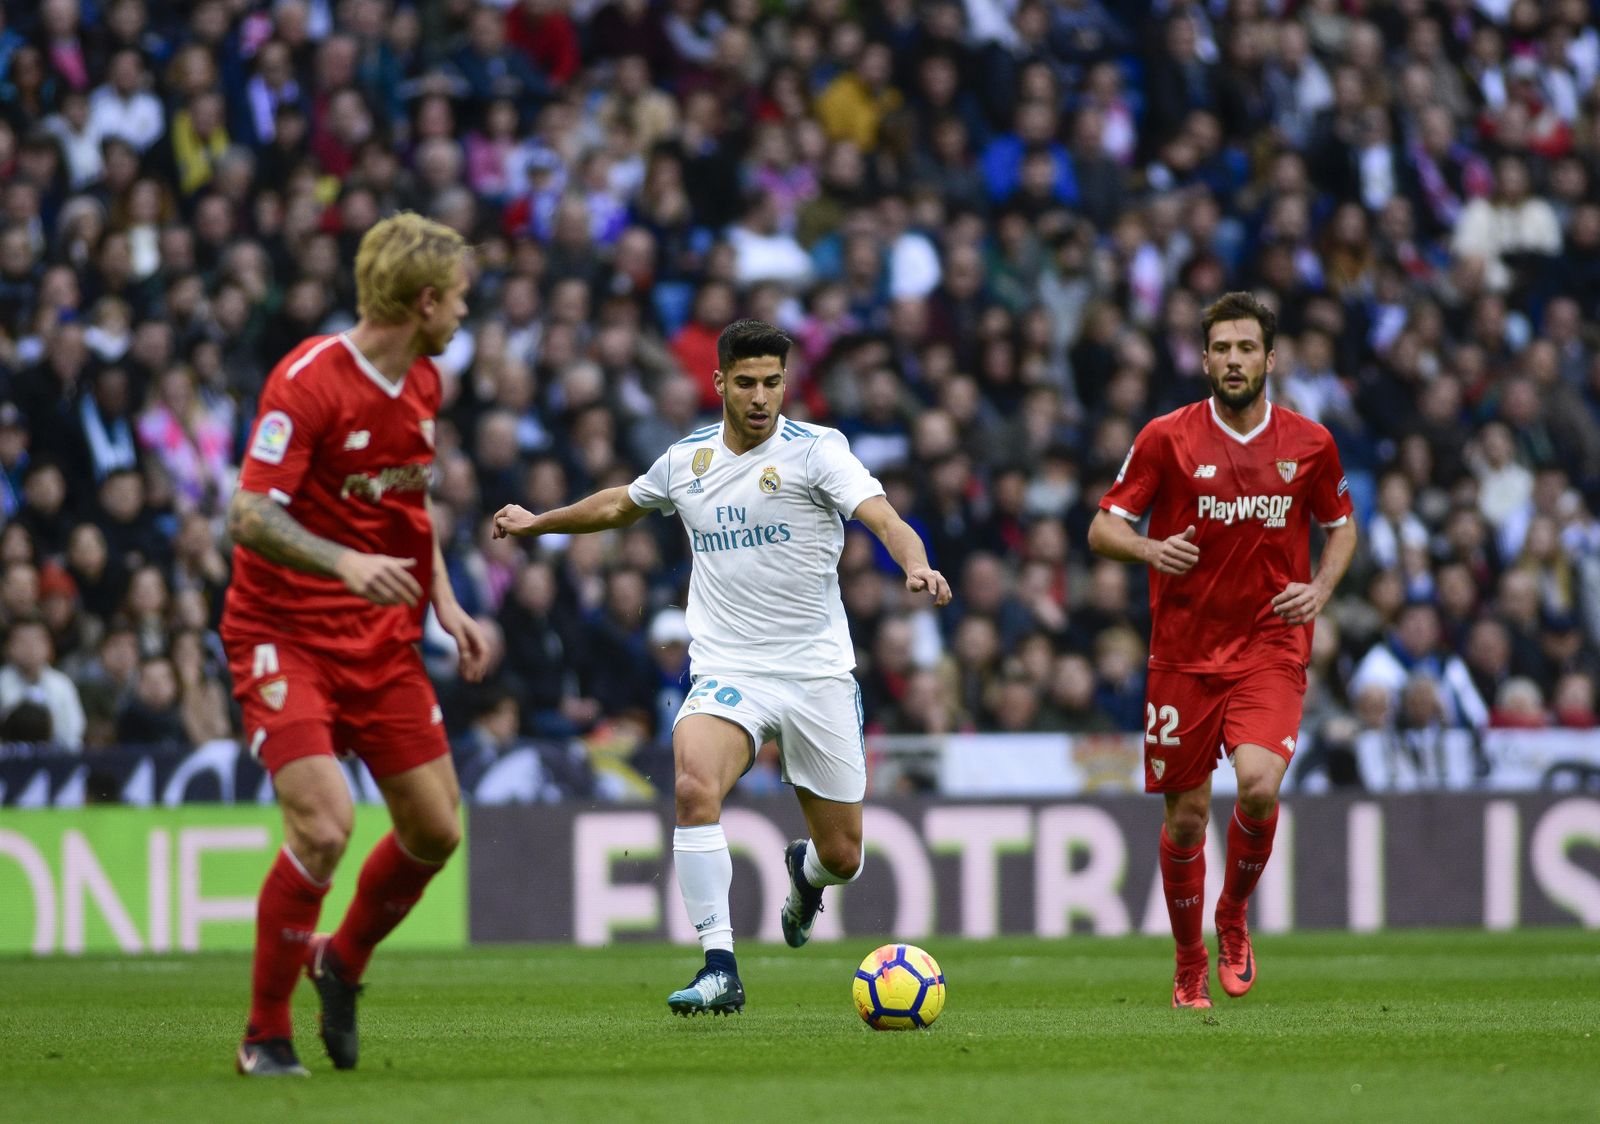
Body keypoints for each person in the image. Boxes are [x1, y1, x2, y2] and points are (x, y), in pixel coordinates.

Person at [493, 319, 952, 1016]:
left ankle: (805, 874)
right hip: (728, 666)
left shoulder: (818, 452)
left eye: (772, 382)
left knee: (844, 855)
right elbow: (620, 503)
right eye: (746, 383)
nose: (761, 396)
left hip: (815, 673)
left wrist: (916, 563)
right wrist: (539, 522)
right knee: (691, 784)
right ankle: (718, 966)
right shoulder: (687, 461)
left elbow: (884, 517)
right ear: (719, 384)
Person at [223, 213, 489, 1077]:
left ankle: (340, 962)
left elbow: (406, 509)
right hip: (285, 635)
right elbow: (248, 513)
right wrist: (344, 561)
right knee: (326, 824)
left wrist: (446, 600)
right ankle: (265, 1036)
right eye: (457, 302)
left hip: (381, 643)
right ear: (422, 301)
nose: (463, 318)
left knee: (436, 829)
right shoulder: (307, 381)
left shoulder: (422, 384)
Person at [1087, 291, 1357, 1009]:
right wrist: (1150, 546)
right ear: (1204, 359)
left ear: (1270, 359)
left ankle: (1232, 916)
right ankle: (1186, 963)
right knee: (1185, 819)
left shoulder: (1310, 443)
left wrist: (1321, 590)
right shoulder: (1166, 438)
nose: (1233, 360)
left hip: (1271, 643)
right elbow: (1102, 527)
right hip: (1182, 654)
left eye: (1246, 348)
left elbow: (1342, 525)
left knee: (1261, 785)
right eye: (1222, 349)